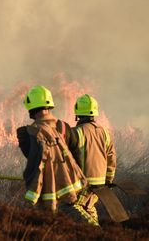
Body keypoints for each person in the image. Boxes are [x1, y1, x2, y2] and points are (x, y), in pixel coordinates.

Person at [16, 85, 88, 220]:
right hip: (69, 188)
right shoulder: (64, 127)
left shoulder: (29, 132)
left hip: (46, 190)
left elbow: (32, 158)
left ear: (32, 108)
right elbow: (76, 154)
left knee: (47, 222)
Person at [73, 94, 117, 226]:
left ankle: (94, 231)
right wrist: (108, 181)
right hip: (100, 185)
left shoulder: (76, 132)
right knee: (89, 208)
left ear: (77, 112)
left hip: (83, 184)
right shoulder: (105, 132)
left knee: (73, 207)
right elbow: (111, 158)